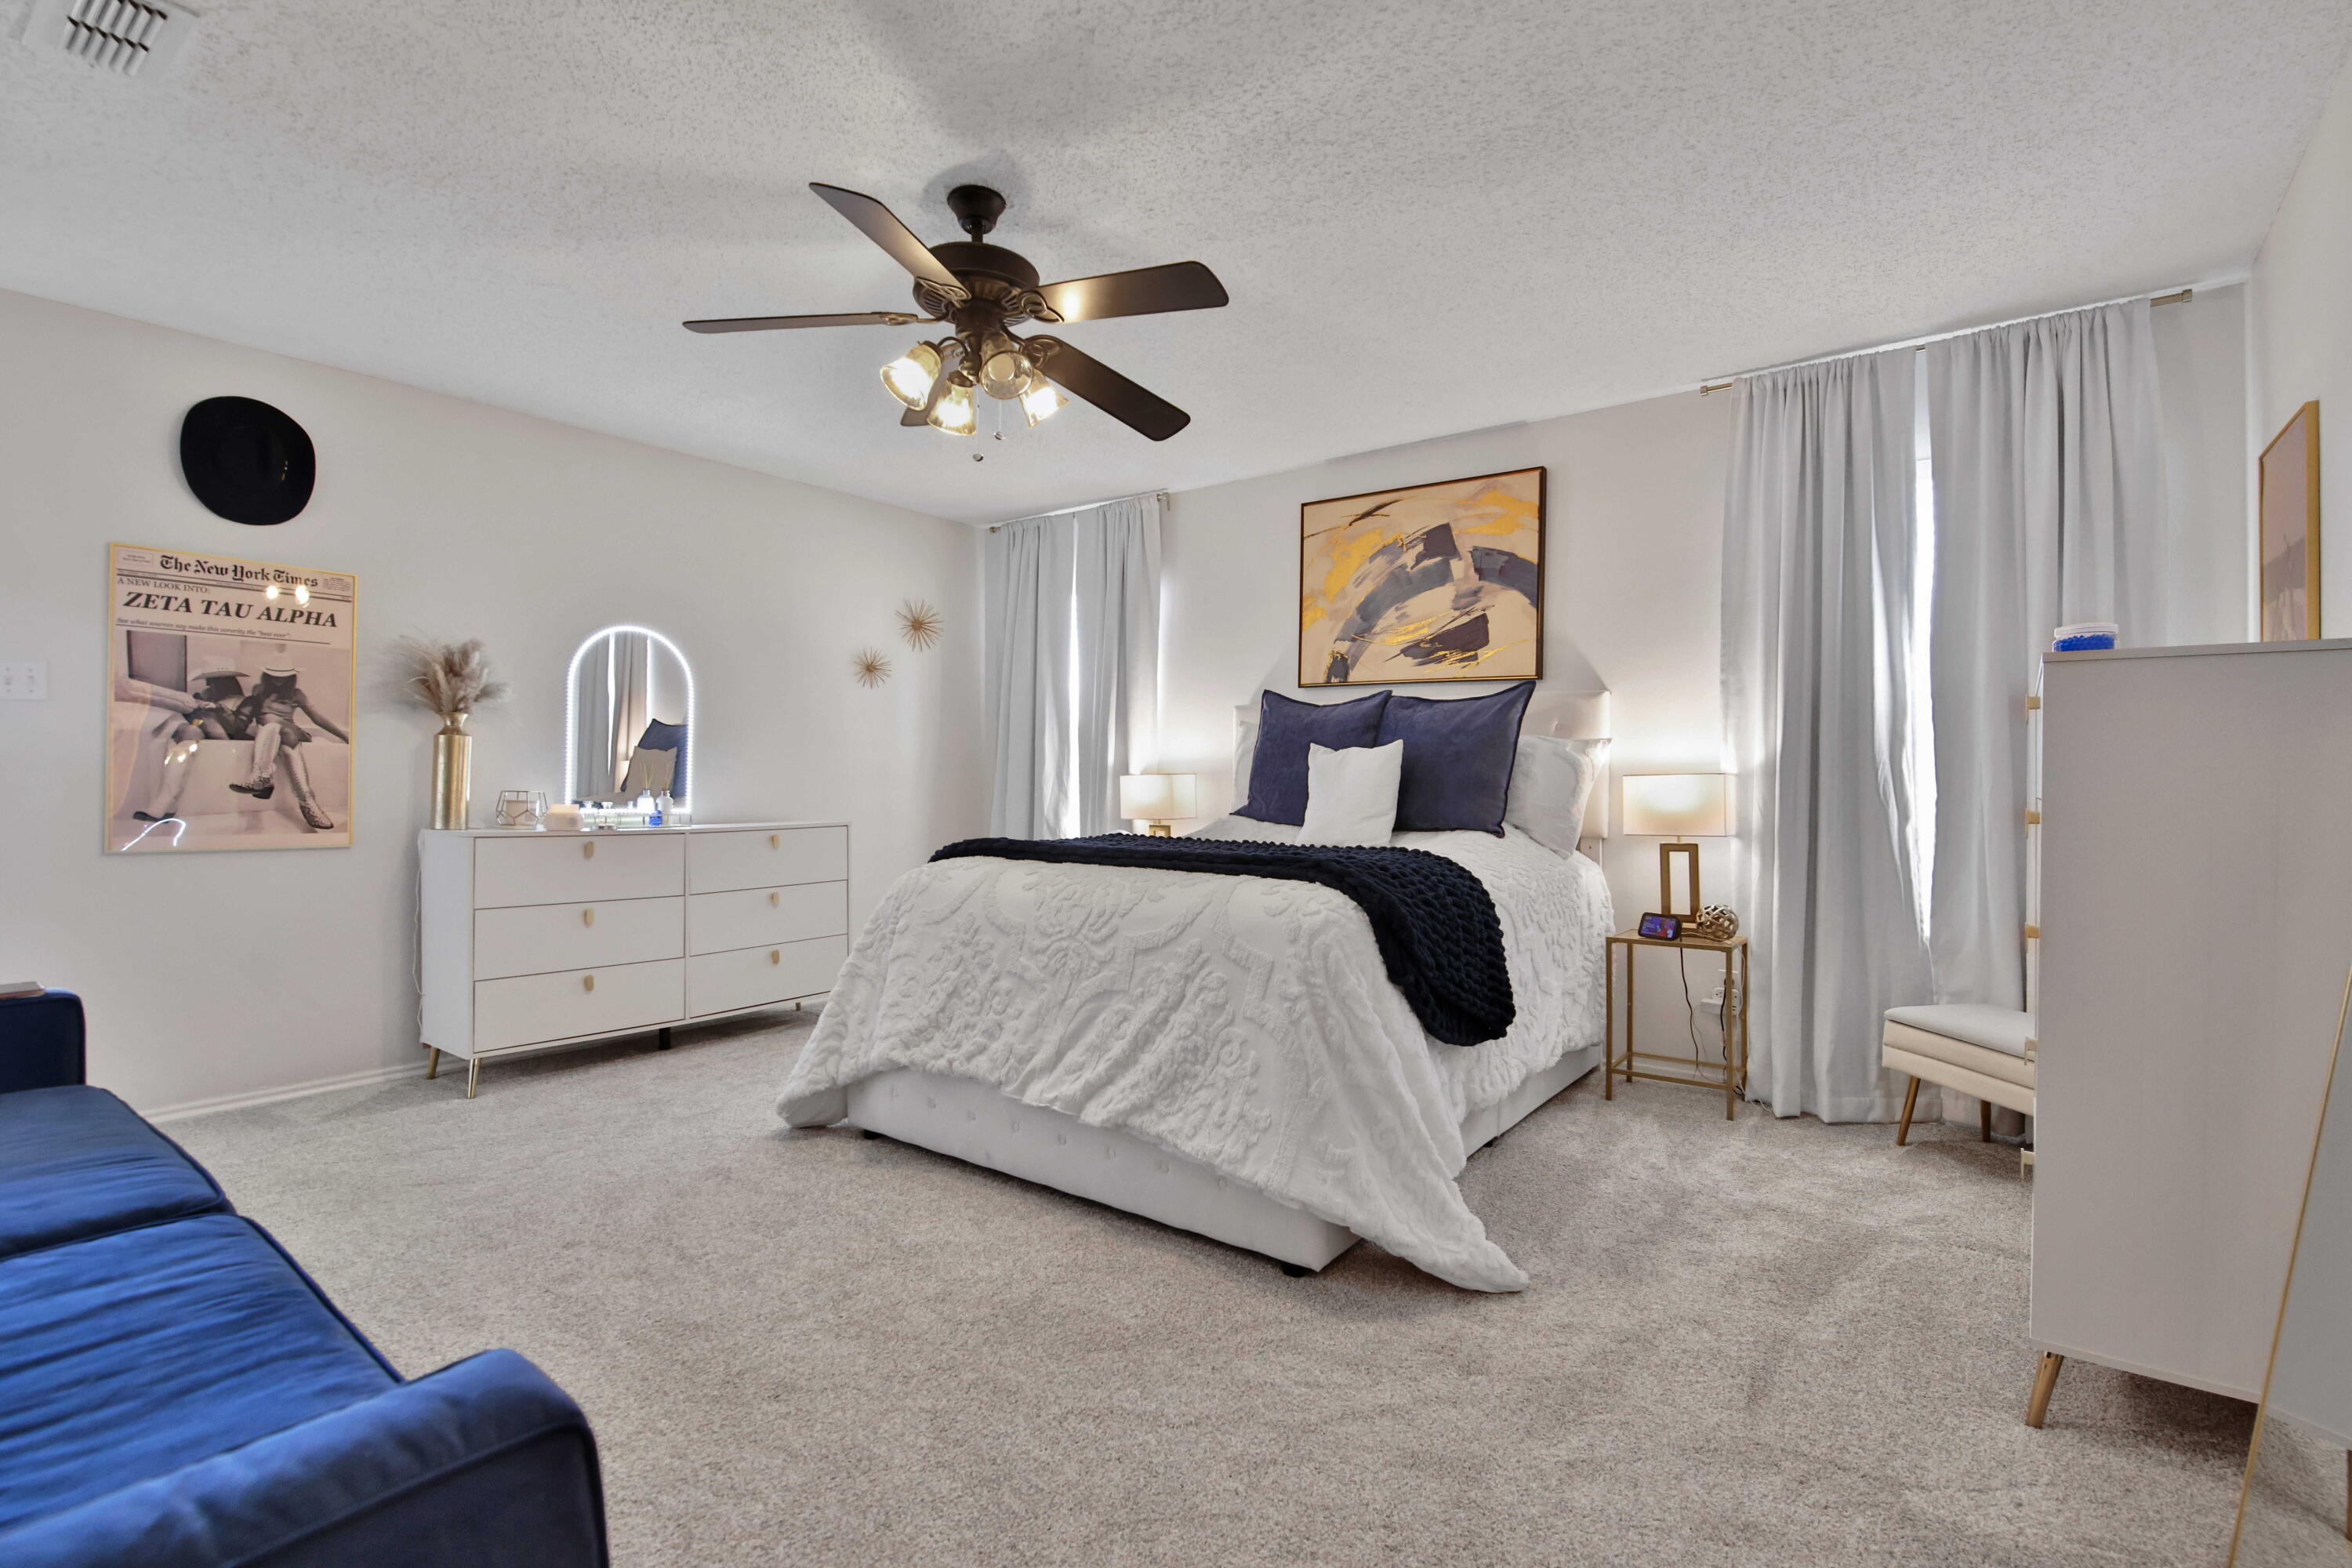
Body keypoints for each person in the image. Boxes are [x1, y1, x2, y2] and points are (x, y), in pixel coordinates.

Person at [230, 665, 348, 830]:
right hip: (273, 736)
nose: (279, 679)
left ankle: (262, 777)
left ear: (291, 676)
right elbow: (244, 717)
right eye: (274, 675)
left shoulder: (296, 694)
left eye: (284, 675)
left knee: (272, 723)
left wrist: (345, 737)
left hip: (294, 733)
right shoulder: (259, 691)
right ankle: (308, 803)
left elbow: (318, 719)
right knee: (271, 727)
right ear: (267, 675)